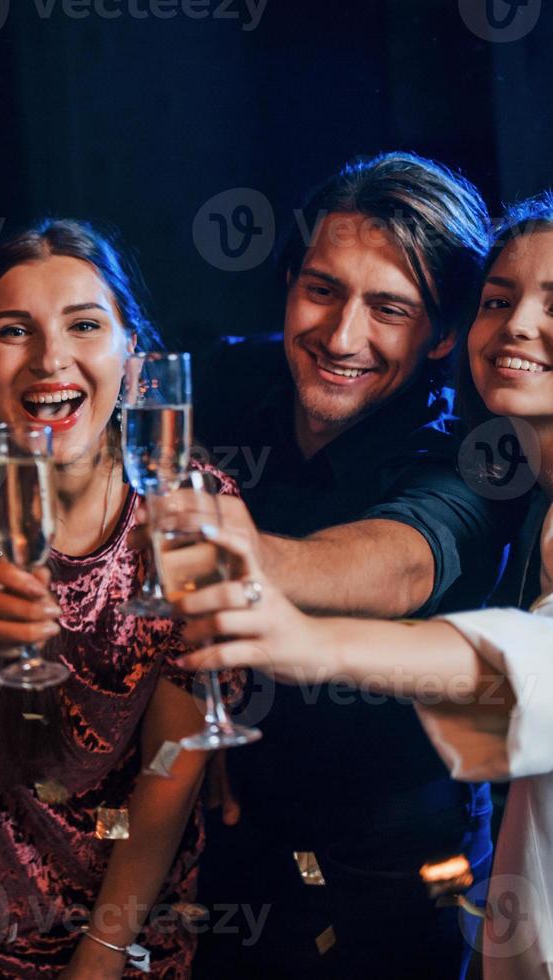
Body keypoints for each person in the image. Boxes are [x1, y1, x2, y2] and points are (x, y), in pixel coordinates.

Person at [175, 192, 553, 980]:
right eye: (320, 290)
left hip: (395, 876)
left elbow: (402, 560)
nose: (341, 335)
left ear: (442, 336)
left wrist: (261, 574)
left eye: (388, 307)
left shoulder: (474, 452)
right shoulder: (229, 379)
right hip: (231, 847)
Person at [0, 218, 241, 978]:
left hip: (122, 917)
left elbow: (172, 767)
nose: (49, 358)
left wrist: (100, 955)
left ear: (133, 354)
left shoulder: (188, 508)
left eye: (84, 324)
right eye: (12, 331)